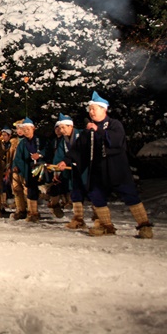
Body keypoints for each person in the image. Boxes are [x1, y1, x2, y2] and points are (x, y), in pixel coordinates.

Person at [56, 92, 154, 238]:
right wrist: (66, 160)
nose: (91, 112)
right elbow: (78, 148)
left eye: (94, 108)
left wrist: (99, 131)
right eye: (90, 109)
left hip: (116, 168)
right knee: (95, 194)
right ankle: (107, 226)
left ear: (104, 109)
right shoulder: (88, 130)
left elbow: (116, 140)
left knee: (130, 195)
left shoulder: (114, 124)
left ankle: (144, 226)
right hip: (97, 169)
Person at [11, 117, 46, 222]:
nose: (25, 132)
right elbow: (18, 157)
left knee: (36, 189)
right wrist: (17, 167)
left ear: (33, 129)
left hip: (39, 168)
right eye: (24, 130)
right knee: (30, 189)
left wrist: (39, 155)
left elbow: (46, 150)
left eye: (28, 129)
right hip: (27, 168)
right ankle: (32, 212)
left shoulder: (40, 140)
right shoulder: (22, 143)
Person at [8, 119, 27, 219]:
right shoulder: (14, 142)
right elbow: (10, 155)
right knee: (16, 189)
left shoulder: (27, 141)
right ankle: (20, 209)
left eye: (21, 128)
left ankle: (30, 209)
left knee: (26, 189)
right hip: (14, 168)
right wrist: (9, 166)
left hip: (24, 168)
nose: (19, 131)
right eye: (17, 128)